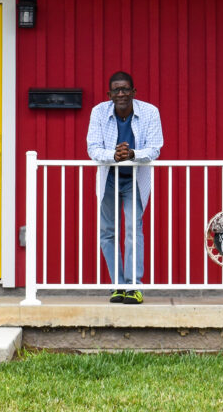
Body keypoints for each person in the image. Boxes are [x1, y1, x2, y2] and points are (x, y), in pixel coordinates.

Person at [86, 72, 163, 304]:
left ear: (133, 92)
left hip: (135, 178)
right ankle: (118, 285)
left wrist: (131, 155)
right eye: (116, 90)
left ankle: (133, 286)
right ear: (109, 94)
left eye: (125, 89)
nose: (121, 94)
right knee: (107, 232)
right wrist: (113, 155)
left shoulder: (150, 112)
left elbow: (155, 148)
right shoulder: (99, 112)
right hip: (109, 176)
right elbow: (93, 148)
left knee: (132, 228)